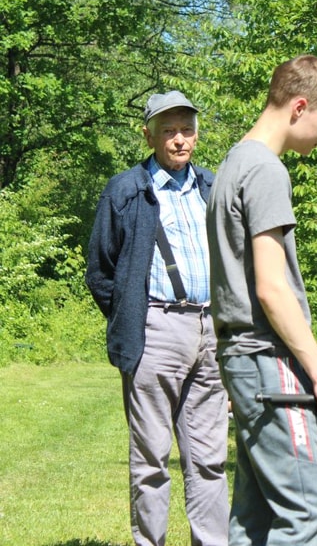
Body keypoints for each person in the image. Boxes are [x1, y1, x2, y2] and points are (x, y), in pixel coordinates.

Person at [206, 55, 317, 546]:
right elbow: (271, 288)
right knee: (306, 514)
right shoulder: (266, 171)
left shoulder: (232, 162)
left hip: (243, 360)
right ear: (300, 106)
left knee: (255, 517)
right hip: (270, 361)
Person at [85, 91, 228, 546]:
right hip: (157, 331)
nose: (179, 140)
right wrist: (133, 316)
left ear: (197, 134)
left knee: (209, 460)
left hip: (211, 331)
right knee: (150, 459)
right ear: (149, 135)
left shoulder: (212, 186)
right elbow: (100, 271)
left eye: (186, 129)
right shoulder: (125, 190)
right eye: (168, 131)